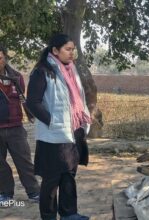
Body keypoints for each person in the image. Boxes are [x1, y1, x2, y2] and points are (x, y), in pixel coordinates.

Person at [26, 34, 91, 220]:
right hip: (53, 136)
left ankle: (69, 213)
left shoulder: (72, 70)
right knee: (52, 179)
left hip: (74, 131)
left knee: (69, 174)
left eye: (73, 49)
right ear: (55, 50)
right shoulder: (42, 71)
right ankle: (48, 216)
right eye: (68, 49)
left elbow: (79, 98)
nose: (72, 53)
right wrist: (53, 121)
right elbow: (33, 103)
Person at [0, 45, 40, 205]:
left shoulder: (16, 77)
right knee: (0, 165)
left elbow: (22, 98)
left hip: (16, 127)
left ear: (5, 58)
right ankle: (5, 193)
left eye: (0, 57)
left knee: (24, 161)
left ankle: (34, 192)